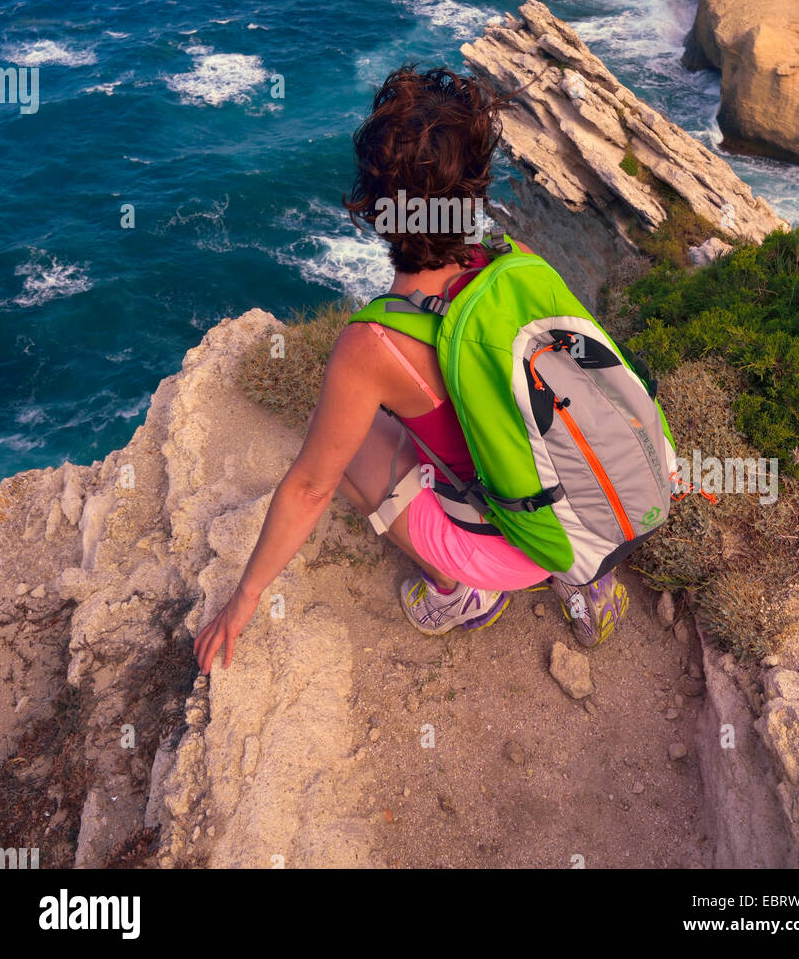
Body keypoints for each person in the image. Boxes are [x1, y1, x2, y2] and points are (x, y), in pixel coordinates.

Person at [194, 65, 627, 675]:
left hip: (510, 548)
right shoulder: (519, 263)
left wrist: (242, 602)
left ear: (376, 210)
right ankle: (587, 580)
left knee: (343, 453)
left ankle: (462, 594)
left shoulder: (374, 344)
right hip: (594, 512)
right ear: (473, 192)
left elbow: (310, 488)